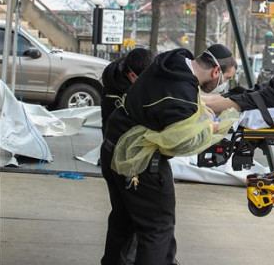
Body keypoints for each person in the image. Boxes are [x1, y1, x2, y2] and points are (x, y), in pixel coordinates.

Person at [100, 44, 236, 265]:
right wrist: (210, 128)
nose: (223, 84)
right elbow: (180, 142)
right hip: (139, 160)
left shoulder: (172, 60)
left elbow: (165, 98)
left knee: (123, 219)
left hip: (112, 145)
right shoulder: (182, 97)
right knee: (157, 227)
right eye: (226, 78)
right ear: (215, 72)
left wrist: (198, 108)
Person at [100, 48, 155, 137]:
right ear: (132, 76)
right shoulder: (116, 92)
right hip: (117, 139)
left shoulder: (125, 69)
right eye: (145, 79)